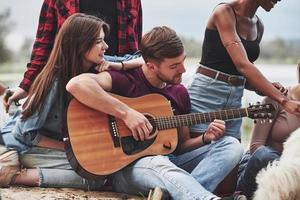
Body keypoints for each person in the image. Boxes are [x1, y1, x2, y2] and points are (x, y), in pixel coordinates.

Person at [67, 26, 245, 200]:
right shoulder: (126, 80)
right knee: (158, 163)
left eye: (183, 60)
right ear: (151, 67)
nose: (183, 69)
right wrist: (127, 114)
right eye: (174, 65)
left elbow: (182, 145)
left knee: (231, 145)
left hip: (171, 163)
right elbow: (76, 85)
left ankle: (186, 192)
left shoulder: (179, 92)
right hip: (130, 169)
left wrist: (205, 138)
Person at [0, 13, 130, 190]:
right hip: (25, 146)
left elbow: (143, 59)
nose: (106, 46)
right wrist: (72, 148)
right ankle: (14, 176)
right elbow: (25, 134)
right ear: (80, 45)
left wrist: (119, 66)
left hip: (52, 141)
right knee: (95, 176)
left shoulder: (100, 65)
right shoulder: (54, 81)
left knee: (99, 166)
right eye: (99, 41)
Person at [187, 0, 300, 140]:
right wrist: (284, 101)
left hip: (235, 100)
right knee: (198, 151)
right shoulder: (224, 12)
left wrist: (265, 87)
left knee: (232, 154)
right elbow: (242, 64)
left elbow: (244, 73)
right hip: (207, 94)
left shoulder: (259, 26)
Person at [4, 0, 142, 112]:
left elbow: (137, 47)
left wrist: (125, 69)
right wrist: (25, 86)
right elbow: (43, 44)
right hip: (73, 85)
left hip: (115, 80)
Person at [236, 66, 300, 198]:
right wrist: (288, 167)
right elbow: (256, 147)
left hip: (293, 177)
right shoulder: (276, 97)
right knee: (264, 154)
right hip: (259, 167)